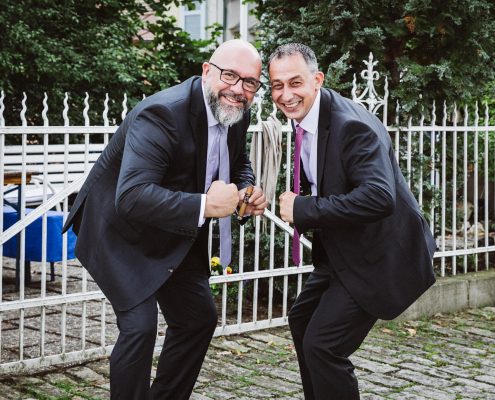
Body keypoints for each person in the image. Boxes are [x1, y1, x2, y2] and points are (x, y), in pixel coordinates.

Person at [62, 39, 268, 400]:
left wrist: (246, 191)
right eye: (230, 75)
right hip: (119, 230)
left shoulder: (236, 111)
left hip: (174, 229)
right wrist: (206, 204)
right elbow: (132, 196)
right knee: (140, 329)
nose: (238, 89)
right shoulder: (161, 114)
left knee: (198, 319)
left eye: (250, 82)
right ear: (207, 71)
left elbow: (239, 163)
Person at [268, 43, 436, 399]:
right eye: (277, 85)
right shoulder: (311, 120)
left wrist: (304, 209)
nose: (285, 94)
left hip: (379, 256)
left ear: (317, 80)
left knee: (323, 346)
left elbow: (379, 197)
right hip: (343, 252)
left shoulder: (351, 126)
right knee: (301, 323)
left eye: (294, 82)